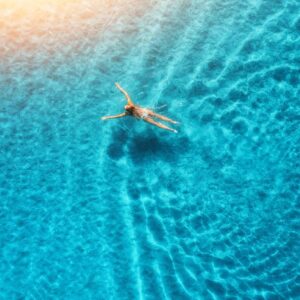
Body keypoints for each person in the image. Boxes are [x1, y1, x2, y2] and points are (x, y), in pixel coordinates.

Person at [101, 83, 178, 133]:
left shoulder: (127, 112)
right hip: (145, 112)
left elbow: (116, 116)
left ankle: (172, 127)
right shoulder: (130, 106)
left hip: (144, 116)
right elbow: (125, 94)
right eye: (126, 107)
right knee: (158, 118)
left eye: (126, 106)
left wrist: (118, 87)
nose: (125, 106)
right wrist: (119, 87)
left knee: (156, 122)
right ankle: (172, 124)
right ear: (130, 107)